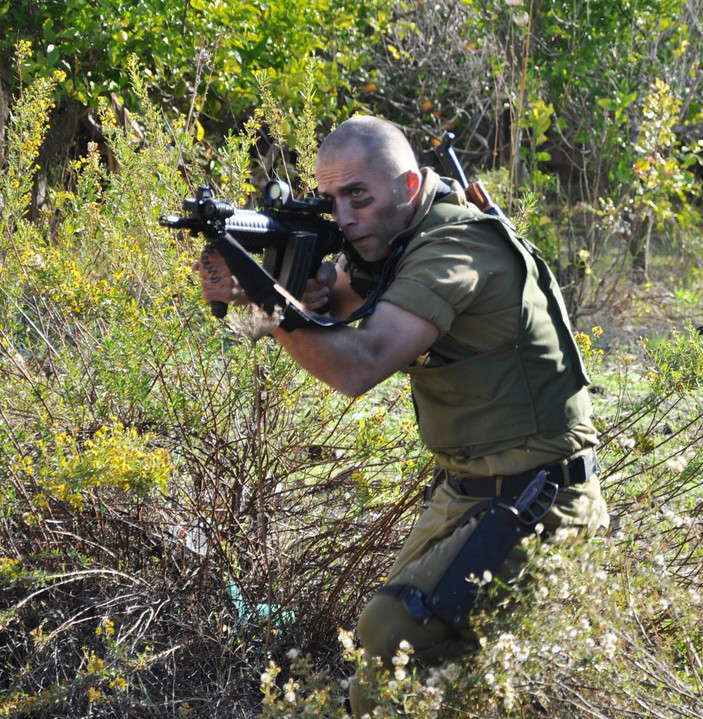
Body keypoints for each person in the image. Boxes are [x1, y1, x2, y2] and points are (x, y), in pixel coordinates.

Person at [197, 115, 609, 713]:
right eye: (331, 200)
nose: (342, 216)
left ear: (409, 187)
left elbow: (358, 364)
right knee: (380, 665)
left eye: (358, 196)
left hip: (539, 496)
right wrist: (269, 290)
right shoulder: (396, 241)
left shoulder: (454, 248)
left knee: (392, 632)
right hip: (468, 492)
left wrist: (270, 300)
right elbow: (326, 310)